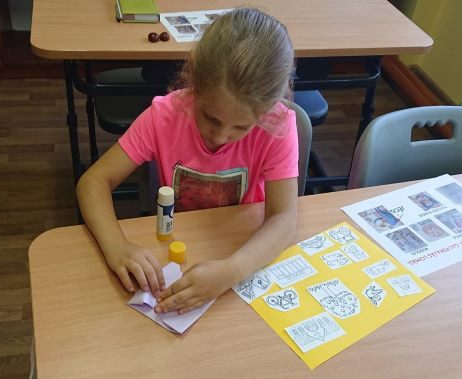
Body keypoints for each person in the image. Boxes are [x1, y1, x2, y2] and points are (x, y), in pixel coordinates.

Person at [76, 8, 299, 315]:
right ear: (194, 79)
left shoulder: (277, 126)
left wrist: (232, 271)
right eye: (210, 118)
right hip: (177, 247)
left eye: (241, 127)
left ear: (268, 108)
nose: (221, 136)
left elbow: (284, 218)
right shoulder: (164, 116)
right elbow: (93, 181)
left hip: (241, 250)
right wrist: (117, 246)